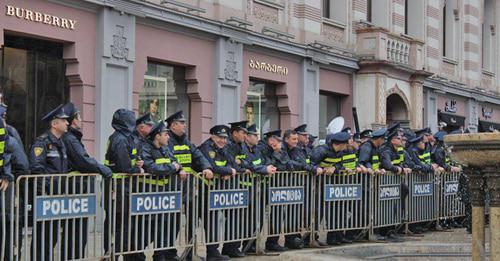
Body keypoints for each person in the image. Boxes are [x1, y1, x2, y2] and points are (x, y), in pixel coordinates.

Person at [28, 104, 70, 260]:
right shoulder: (42, 142)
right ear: (54, 124)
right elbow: (36, 168)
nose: (67, 123)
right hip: (46, 197)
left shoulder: (62, 144)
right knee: (42, 238)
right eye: (64, 120)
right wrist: (46, 191)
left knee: (52, 236)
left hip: (57, 198)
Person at [141, 121, 186, 261]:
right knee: (150, 229)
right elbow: (152, 167)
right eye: (166, 134)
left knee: (167, 225)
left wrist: (181, 168)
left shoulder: (165, 149)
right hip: (150, 194)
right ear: (157, 136)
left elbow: (176, 162)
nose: (168, 137)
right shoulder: (146, 148)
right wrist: (173, 168)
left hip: (165, 194)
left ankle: (161, 254)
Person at [104, 109, 144, 259]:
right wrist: (138, 169)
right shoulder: (120, 139)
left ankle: (118, 253)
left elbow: (129, 158)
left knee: (120, 223)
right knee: (119, 223)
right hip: (119, 187)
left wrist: (137, 162)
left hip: (122, 187)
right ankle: (114, 253)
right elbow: (124, 166)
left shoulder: (123, 137)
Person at [198, 125, 240, 260]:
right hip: (206, 191)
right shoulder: (206, 148)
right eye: (220, 138)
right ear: (212, 136)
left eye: (225, 138)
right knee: (210, 221)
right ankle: (210, 252)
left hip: (220, 191)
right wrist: (227, 171)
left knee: (217, 221)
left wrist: (229, 170)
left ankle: (215, 251)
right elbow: (211, 166)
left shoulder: (225, 148)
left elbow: (233, 164)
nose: (223, 141)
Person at [62, 102, 112, 178]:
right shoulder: (70, 139)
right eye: (79, 117)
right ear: (74, 121)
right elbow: (83, 160)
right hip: (76, 184)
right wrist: (103, 169)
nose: (81, 120)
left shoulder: (71, 137)